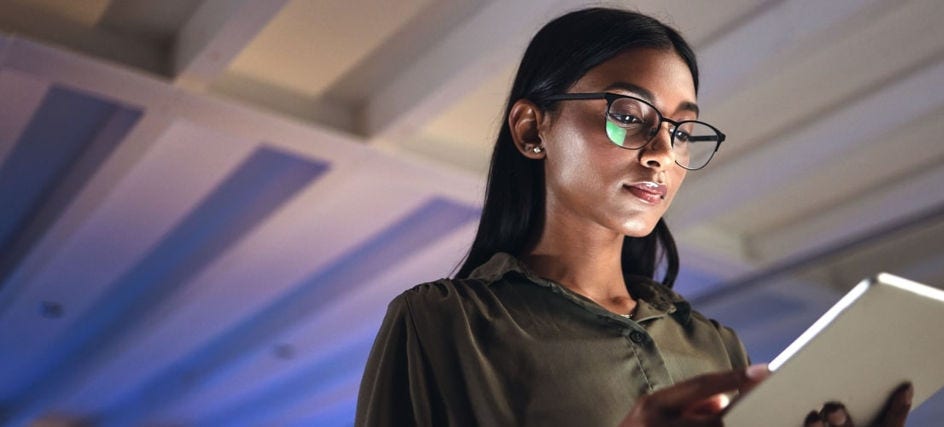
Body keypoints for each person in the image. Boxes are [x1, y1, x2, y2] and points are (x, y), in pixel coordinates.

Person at [355, 7, 912, 426]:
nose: (662, 153)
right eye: (628, 115)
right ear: (532, 129)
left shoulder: (716, 346)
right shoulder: (443, 324)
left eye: (681, 130)